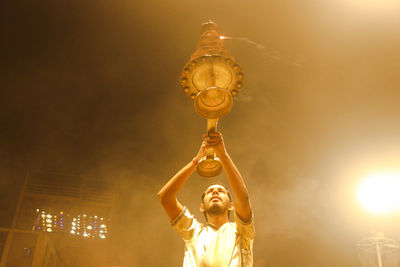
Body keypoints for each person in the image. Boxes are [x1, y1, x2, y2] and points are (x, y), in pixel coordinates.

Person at [157, 132, 254, 267]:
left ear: (231, 206)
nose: (215, 191)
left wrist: (223, 154)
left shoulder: (241, 231)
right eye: (209, 191)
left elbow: (243, 199)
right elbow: (165, 197)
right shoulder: (193, 231)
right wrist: (196, 162)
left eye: (221, 191)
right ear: (202, 206)